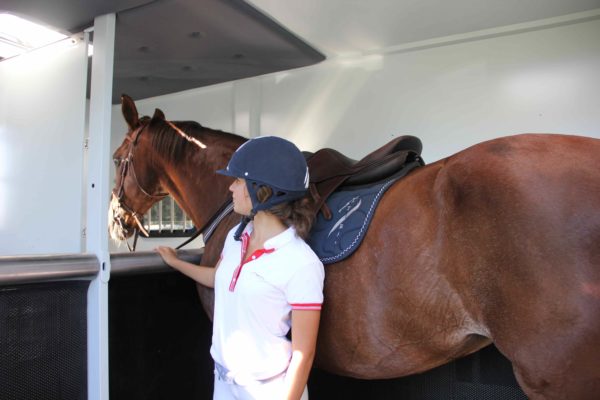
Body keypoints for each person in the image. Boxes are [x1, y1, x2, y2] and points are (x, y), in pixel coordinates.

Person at [156, 136, 324, 400]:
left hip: (269, 391)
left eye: (238, 181)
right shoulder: (236, 235)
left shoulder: (302, 264)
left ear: (261, 191)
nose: (231, 188)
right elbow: (218, 277)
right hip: (224, 383)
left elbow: (304, 355)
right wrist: (176, 262)